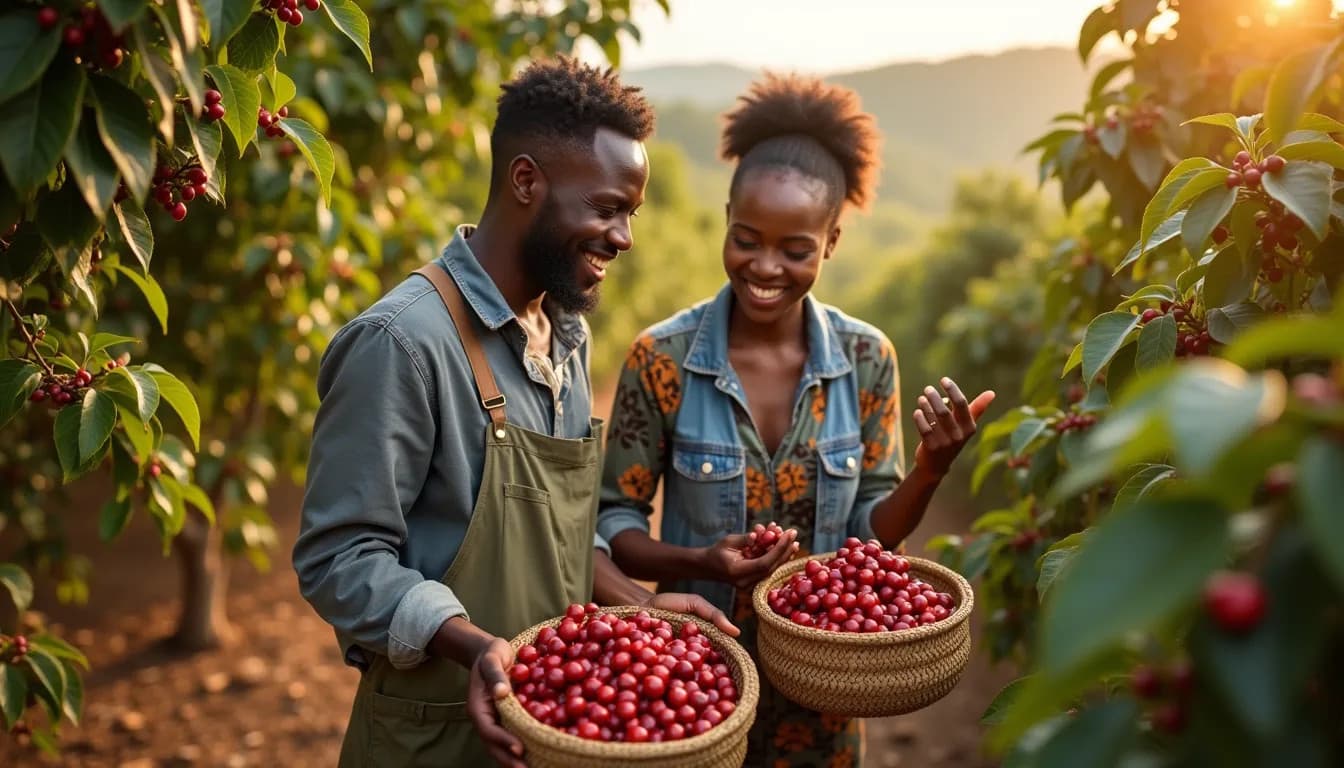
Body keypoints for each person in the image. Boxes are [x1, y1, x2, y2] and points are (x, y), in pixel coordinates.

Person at [292, 57, 736, 768]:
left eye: (631, 212)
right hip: (434, 737)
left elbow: (551, 539)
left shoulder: (564, 333)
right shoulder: (403, 343)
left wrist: (635, 603)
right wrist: (469, 644)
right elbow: (337, 560)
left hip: (553, 731)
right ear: (526, 181)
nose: (623, 237)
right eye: (606, 208)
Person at [597, 73, 995, 766]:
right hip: (695, 683)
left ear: (832, 242)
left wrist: (930, 470)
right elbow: (615, 524)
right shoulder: (661, 359)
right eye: (747, 239)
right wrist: (698, 560)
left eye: (796, 249)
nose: (765, 268)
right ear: (725, 217)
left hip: (827, 694)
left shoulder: (868, 359)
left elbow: (874, 528)